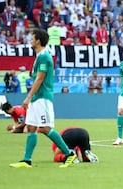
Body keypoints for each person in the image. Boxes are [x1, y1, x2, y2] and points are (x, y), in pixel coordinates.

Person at [9, 29, 77, 168]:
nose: (30, 40)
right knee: (32, 127)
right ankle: (26, 160)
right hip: (36, 99)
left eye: (32, 38)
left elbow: (40, 78)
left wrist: (28, 97)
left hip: (42, 98)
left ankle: (69, 154)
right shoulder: (39, 56)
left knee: (45, 128)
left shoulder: (45, 56)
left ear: (38, 40)